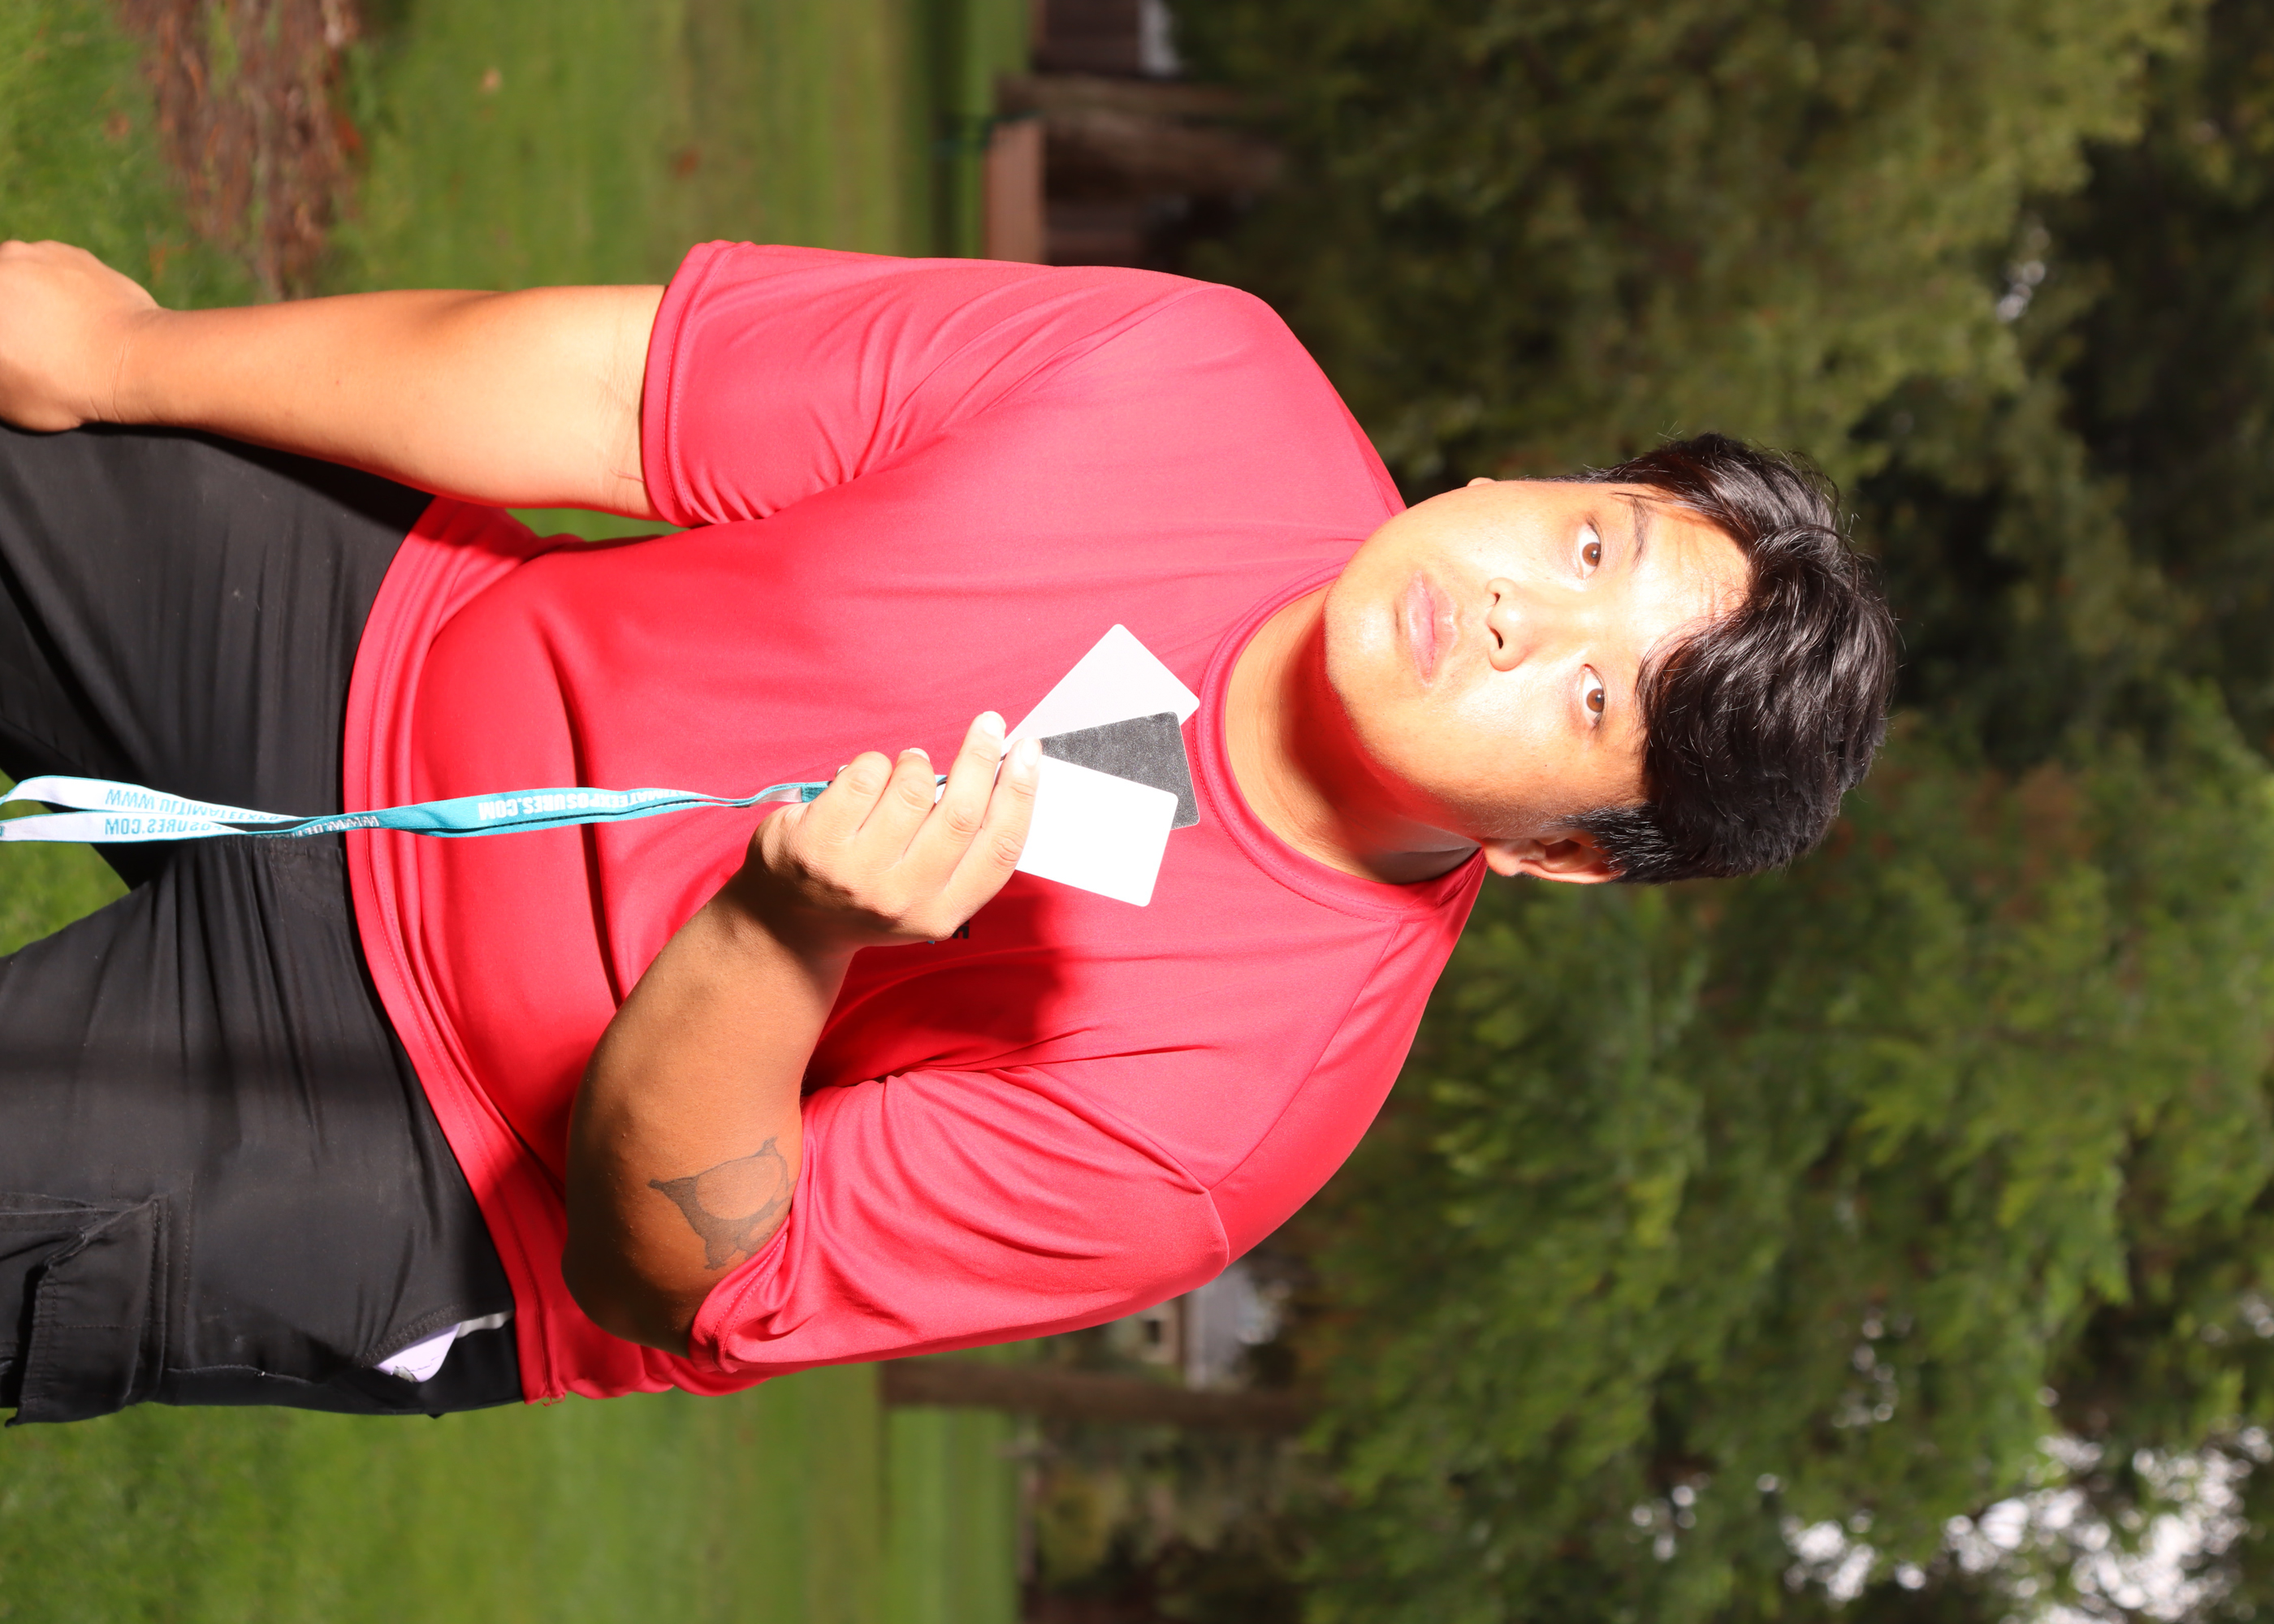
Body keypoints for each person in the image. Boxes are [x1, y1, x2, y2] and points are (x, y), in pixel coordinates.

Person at [0, 237, 1896, 1424]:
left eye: (1587, 701)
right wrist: (121, 360)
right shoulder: (1197, 375)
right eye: (1588, 548)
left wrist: (779, 942)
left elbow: (667, 1275)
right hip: (398, 646)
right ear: (1542, 479)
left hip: (429, 1152)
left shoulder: (1217, 1129)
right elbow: (616, 395)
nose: (1514, 618)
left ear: (1560, 852)